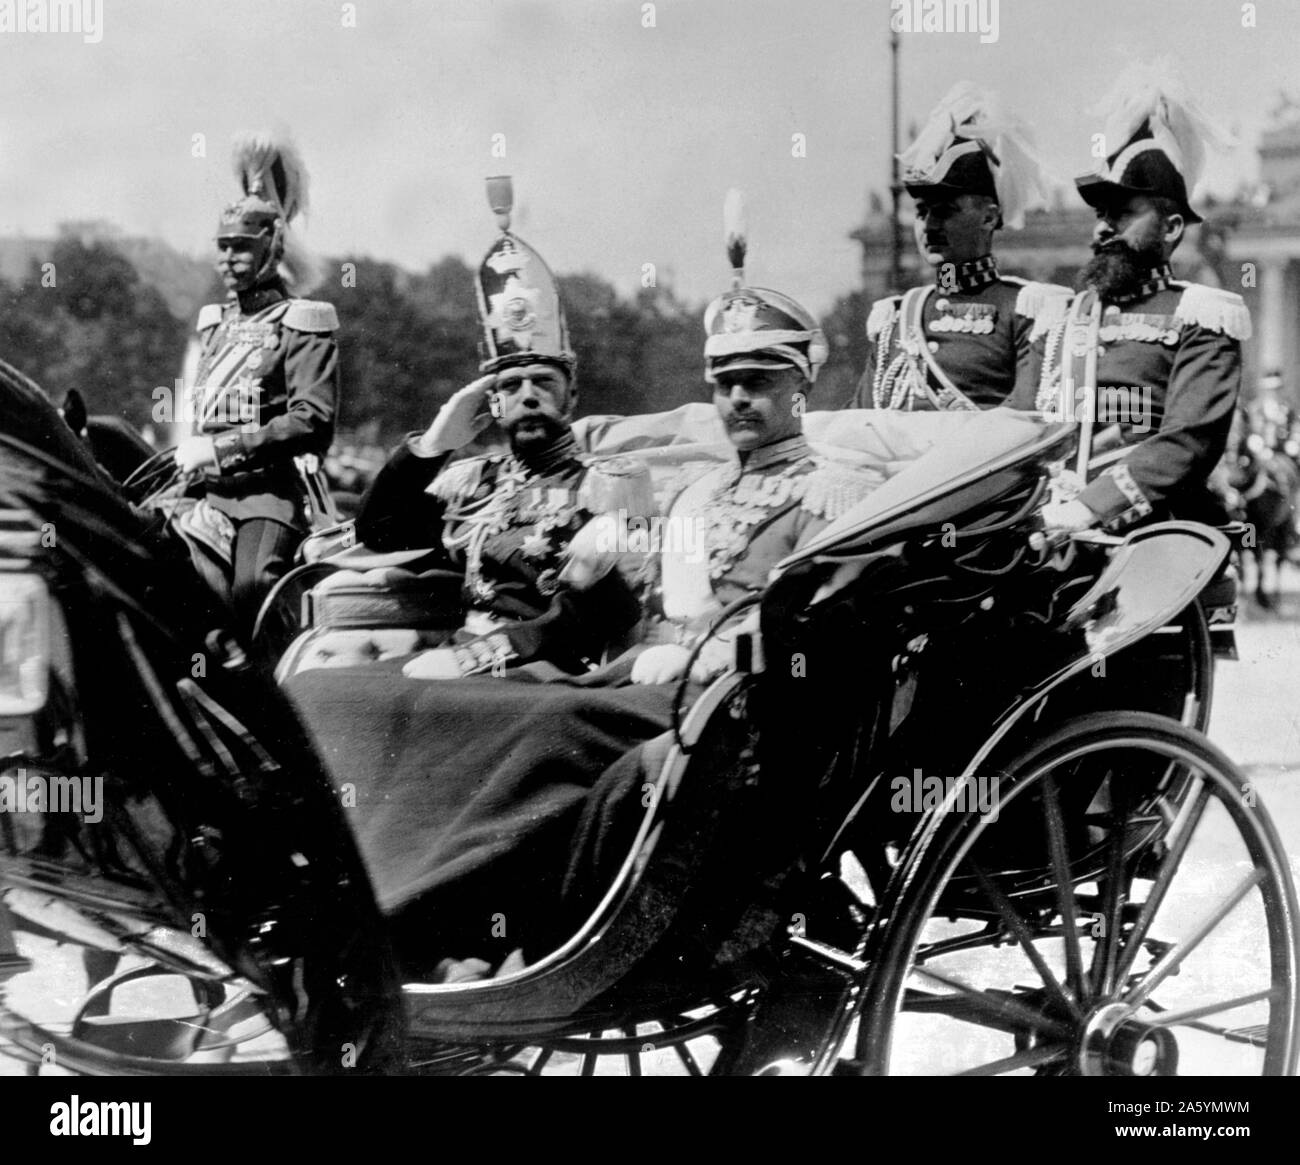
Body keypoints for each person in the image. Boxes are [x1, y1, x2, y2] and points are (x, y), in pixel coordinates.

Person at [282, 227, 878, 972]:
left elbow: (816, 613)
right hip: (637, 678)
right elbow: (658, 603)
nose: (736, 400)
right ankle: (402, 915)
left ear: (801, 387)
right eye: (723, 384)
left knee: (542, 723)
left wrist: (705, 645)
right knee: (515, 718)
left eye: (757, 382)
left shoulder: (832, 489)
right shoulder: (698, 491)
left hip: (725, 699)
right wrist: (608, 584)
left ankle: (443, 923)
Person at [307, 177, 652, 677]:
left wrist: (484, 655)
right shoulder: (472, 481)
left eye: (543, 382)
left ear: (571, 394)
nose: (528, 394)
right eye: (511, 385)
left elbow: (615, 612)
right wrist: (432, 445)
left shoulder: (613, 484)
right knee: (326, 692)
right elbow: (379, 531)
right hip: (459, 657)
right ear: (493, 400)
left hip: (552, 668)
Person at [1013, 64, 1252, 533]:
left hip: (1150, 535)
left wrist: (1089, 508)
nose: (1103, 226)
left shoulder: (1201, 318)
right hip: (1045, 527)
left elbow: (1189, 441)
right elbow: (1020, 425)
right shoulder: (1060, 320)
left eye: (1123, 212)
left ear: (1171, 228)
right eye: (1100, 213)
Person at [173, 132, 340, 637]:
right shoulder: (213, 323)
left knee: (252, 592)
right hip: (202, 492)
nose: (227, 259)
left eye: (241, 247)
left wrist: (219, 449)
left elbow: (312, 423)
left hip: (265, 500)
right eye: (222, 247)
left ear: (272, 247)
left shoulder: (304, 321)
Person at [853, 83, 1071, 411]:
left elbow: (1027, 422)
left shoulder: (1028, 312)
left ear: (988, 217)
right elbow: (860, 418)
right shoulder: (896, 318)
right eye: (922, 212)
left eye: (945, 212)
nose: (929, 225)